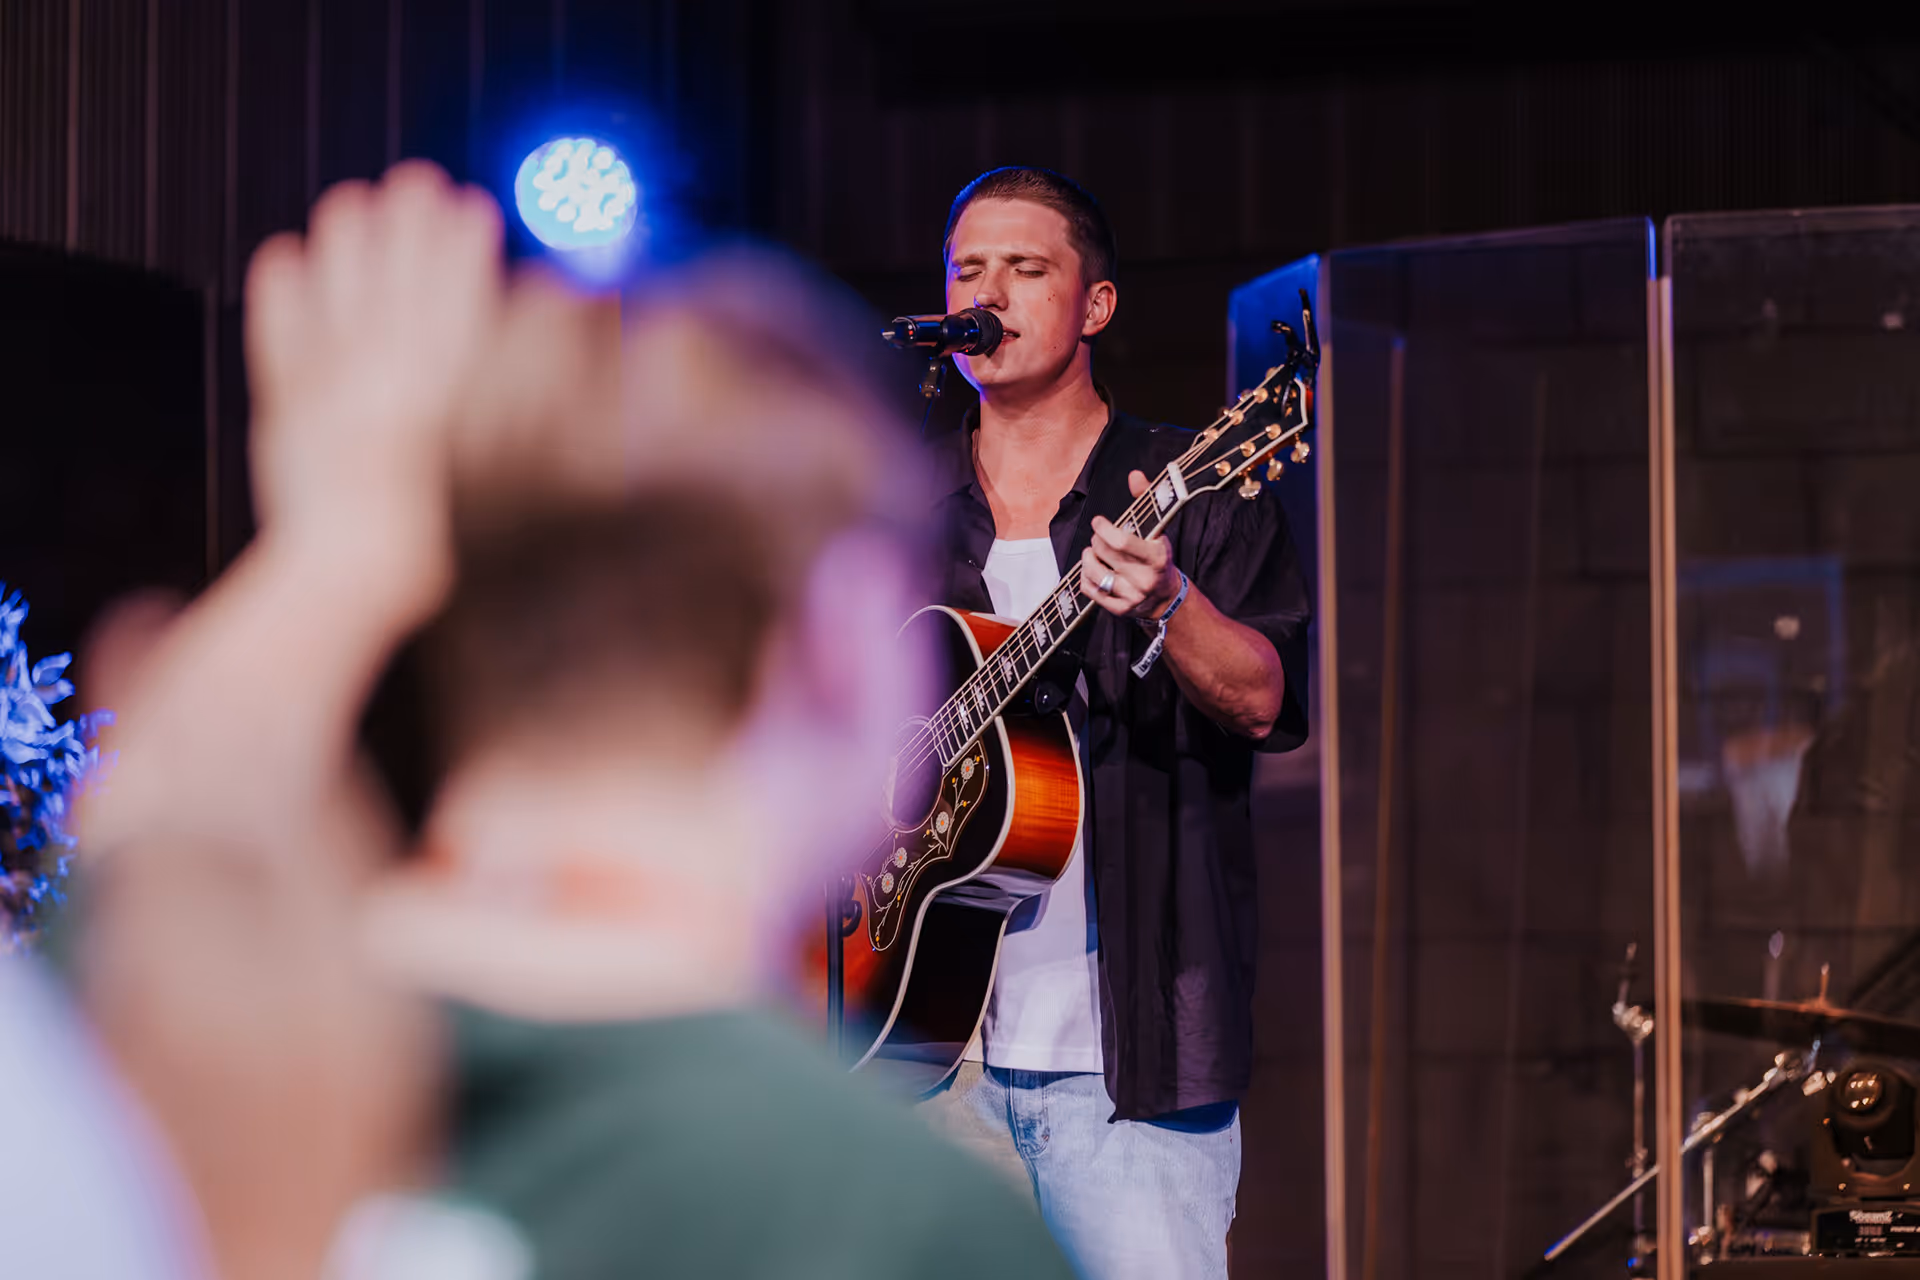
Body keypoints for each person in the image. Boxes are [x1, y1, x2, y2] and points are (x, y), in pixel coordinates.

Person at [75, 162, 1075, 1280]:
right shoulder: (905, 1226)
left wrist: (335, 547)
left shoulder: (144, 1071)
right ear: (840, 638)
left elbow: (144, 867)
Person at [916, 166, 1312, 1279]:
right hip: (924, 1057)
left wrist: (1172, 602)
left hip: (1129, 1069)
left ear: (1096, 304)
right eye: (967, 271)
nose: (988, 292)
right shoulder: (897, 507)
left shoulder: (1199, 488)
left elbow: (1268, 699)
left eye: (1025, 269)